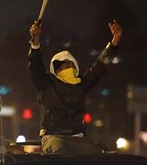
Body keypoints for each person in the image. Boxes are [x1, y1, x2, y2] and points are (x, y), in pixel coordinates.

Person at [27, 19, 123, 155]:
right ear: (56, 69)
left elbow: (100, 66)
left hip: (78, 139)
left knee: (99, 155)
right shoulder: (46, 84)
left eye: (71, 65)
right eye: (65, 65)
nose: (69, 67)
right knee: (60, 154)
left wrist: (115, 40)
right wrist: (35, 40)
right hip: (53, 137)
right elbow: (35, 65)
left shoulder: (81, 84)